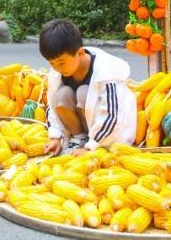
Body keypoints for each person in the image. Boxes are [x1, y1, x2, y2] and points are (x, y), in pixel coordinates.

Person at [40, 19, 136, 155]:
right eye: (52, 63)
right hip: (86, 128)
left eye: (61, 63)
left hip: (111, 134)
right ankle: (79, 138)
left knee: (84, 92)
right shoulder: (58, 72)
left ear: (80, 53)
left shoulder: (106, 74)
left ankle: (89, 142)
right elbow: (51, 104)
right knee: (61, 95)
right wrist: (55, 137)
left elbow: (113, 116)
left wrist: (91, 147)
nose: (57, 68)